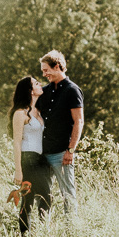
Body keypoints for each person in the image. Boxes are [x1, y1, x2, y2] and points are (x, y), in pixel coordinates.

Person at [38, 50, 84, 214]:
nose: (44, 74)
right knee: (43, 196)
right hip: (42, 153)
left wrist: (70, 150)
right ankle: (44, 233)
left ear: (57, 66)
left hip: (62, 153)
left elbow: (79, 121)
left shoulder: (72, 90)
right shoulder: (43, 91)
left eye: (46, 70)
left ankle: (72, 234)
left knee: (68, 195)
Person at [10, 76, 51, 234]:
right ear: (29, 91)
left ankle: (28, 235)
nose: (40, 84)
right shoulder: (20, 114)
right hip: (28, 160)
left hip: (40, 160)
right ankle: (39, 233)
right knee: (44, 197)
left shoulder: (38, 111)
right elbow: (17, 142)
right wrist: (18, 170)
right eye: (36, 83)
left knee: (29, 200)